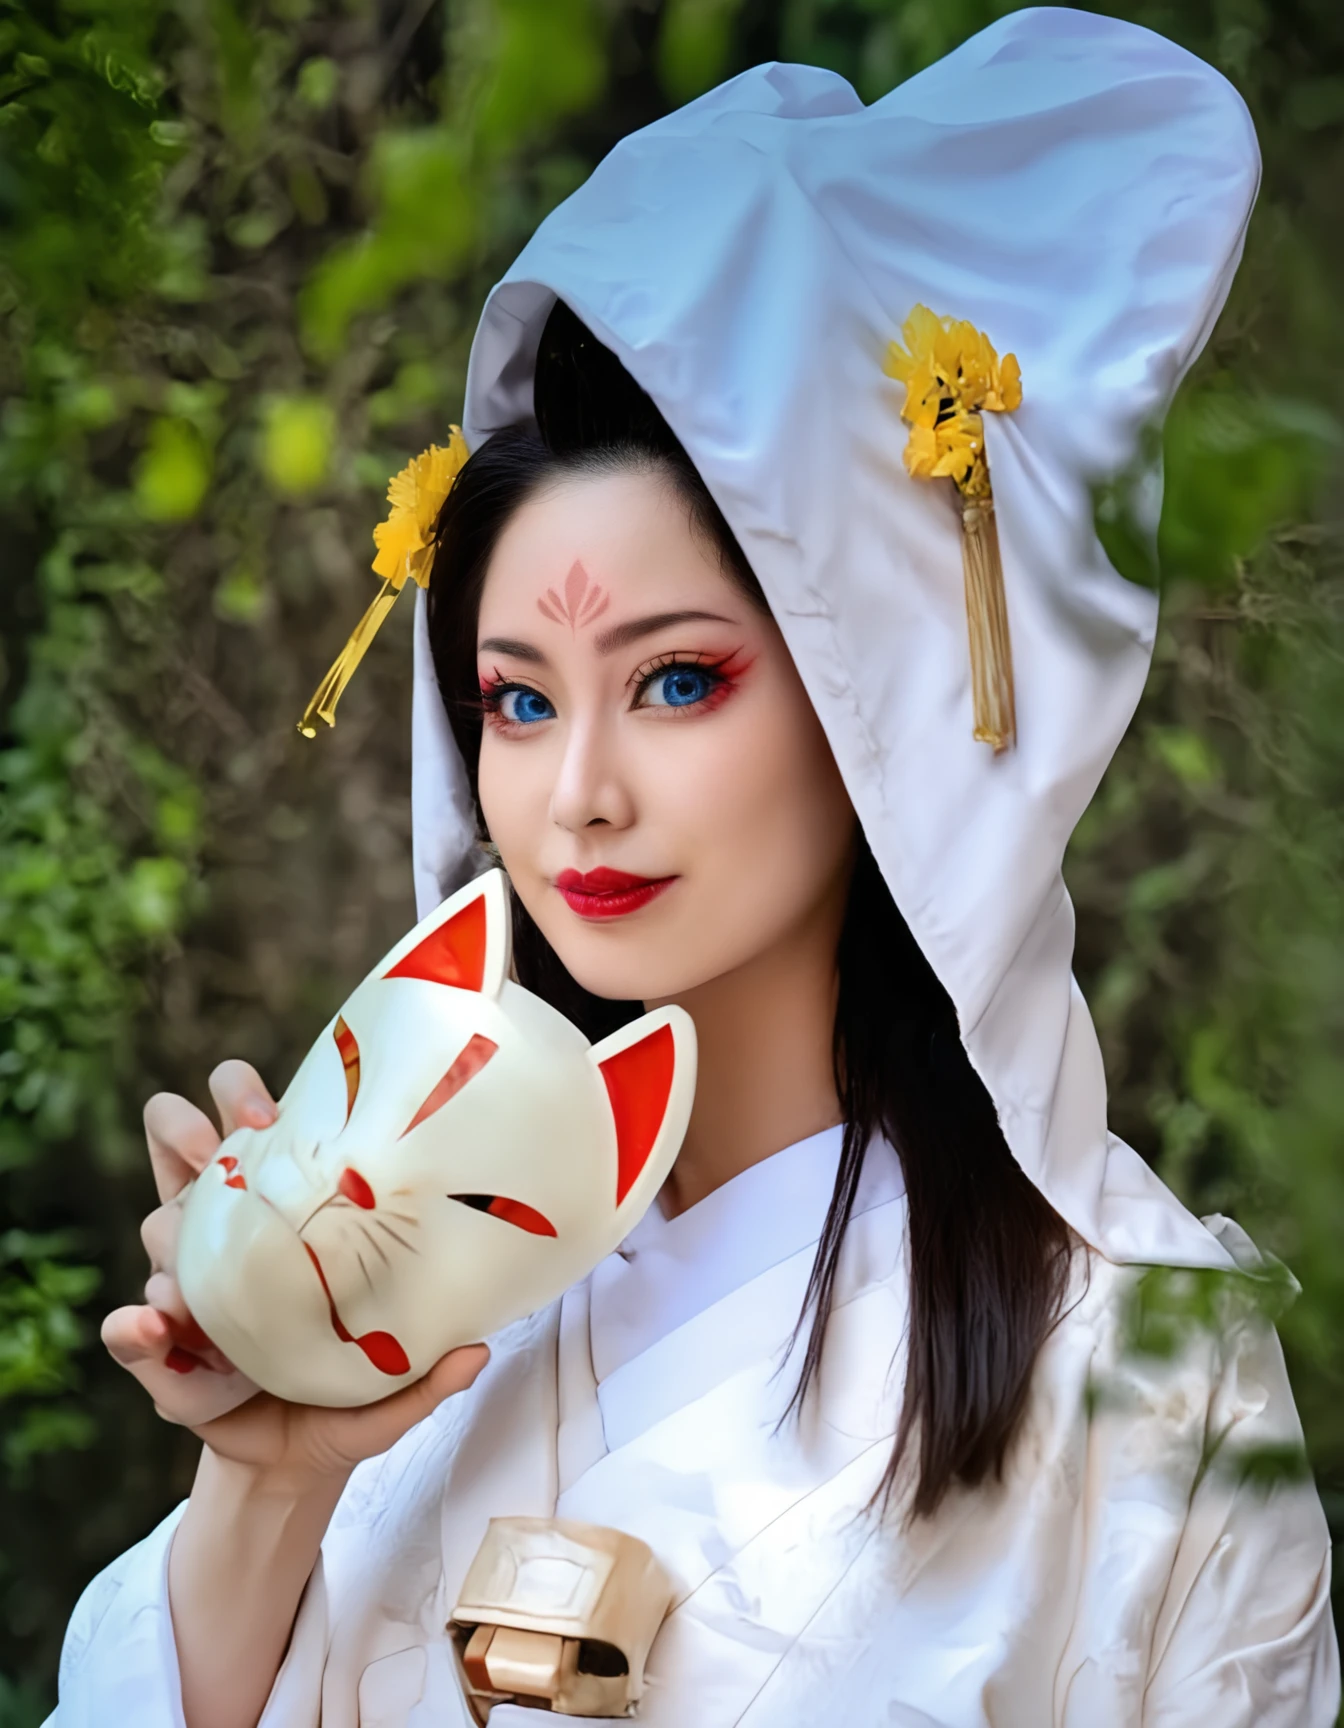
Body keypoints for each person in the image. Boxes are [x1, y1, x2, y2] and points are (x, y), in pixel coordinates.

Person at [51, 10, 1339, 1727]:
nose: (576, 793)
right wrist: (274, 1476)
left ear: (872, 692)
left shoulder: (1143, 1370)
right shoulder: (402, 1292)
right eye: (516, 700)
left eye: (677, 682)